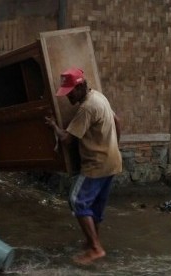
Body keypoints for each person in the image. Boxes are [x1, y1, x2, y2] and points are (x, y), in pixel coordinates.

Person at [45, 67, 122, 265]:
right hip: (112, 162)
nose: (68, 97)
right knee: (95, 205)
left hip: (96, 165)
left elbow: (66, 139)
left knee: (77, 200)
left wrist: (53, 125)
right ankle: (92, 242)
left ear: (80, 87)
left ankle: (95, 248)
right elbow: (117, 121)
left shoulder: (86, 108)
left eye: (70, 93)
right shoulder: (99, 97)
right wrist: (113, 147)